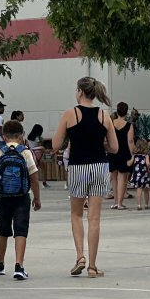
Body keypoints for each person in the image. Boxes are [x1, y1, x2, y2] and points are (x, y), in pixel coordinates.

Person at [53, 76, 119, 278]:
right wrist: (100, 144)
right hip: (100, 166)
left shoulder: (70, 114)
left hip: (78, 167)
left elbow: (55, 145)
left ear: (80, 92)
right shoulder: (103, 115)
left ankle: (80, 256)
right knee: (95, 218)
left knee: (77, 214)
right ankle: (92, 265)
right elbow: (115, 148)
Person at [0, 120, 41, 280]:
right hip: (22, 197)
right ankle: (19, 265)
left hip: (3, 198)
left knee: (2, 231)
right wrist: (36, 198)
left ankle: (0, 263)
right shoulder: (25, 152)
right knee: (21, 230)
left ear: (4, 136)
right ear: (21, 136)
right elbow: (34, 177)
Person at [108, 102, 135, 207]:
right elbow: (130, 141)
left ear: (117, 111)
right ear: (126, 112)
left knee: (114, 178)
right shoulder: (129, 126)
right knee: (122, 178)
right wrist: (133, 155)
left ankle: (115, 202)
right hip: (124, 152)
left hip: (112, 151)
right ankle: (120, 203)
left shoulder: (110, 123)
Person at [129, 138, 150, 210]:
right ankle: (146, 204)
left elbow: (130, 163)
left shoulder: (134, 155)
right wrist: (149, 168)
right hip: (144, 174)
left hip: (136, 174)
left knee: (138, 190)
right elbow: (147, 163)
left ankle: (138, 205)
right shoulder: (146, 155)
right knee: (146, 190)